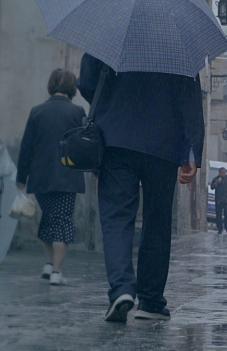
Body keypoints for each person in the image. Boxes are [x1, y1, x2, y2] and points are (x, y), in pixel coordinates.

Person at [76, 53, 203, 323]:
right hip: (163, 142)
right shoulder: (176, 43)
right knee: (157, 219)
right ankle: (151, 301)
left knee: (116, 216)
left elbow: (86, 82)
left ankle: (121, 289)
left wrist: (112, 103)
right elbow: (190, 98)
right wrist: (191, 150)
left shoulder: (110, 31)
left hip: (116, 137)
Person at [16, 69, 86, 285]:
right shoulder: (77, 112)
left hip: (41, 177)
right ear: (72, 88)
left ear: (50, 85)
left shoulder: (37, 112)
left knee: (48, 219)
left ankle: (48, 264)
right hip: (67, 177)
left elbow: (26, 147)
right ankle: (57, 272)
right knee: (62, 222)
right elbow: (84, 146)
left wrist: (21, 177)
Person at [211, 168, 227, 234]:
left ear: (225, 172)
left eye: (224, 172)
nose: (222, 174)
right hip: (219, 199)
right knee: (219, 214)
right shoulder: (216, 179)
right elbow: (212, 187)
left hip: (226, 199)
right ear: (219, 173)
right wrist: (216, 182)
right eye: (221, 172)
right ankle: (220, 228)